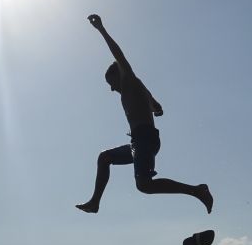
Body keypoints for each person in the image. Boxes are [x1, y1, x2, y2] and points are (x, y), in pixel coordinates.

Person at [75, 14, 213, 215]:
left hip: (145, 139)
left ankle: (197, 190)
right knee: (104, 158)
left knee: (144, 185)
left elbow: (118, 55)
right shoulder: (137, 87)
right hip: (138, 142)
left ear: (119, 75)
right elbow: (153, 100)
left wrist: (101, 30)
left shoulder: (129, 80)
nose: (112, 89)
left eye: (111, 83)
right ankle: (95, 202)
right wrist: (156, 106)